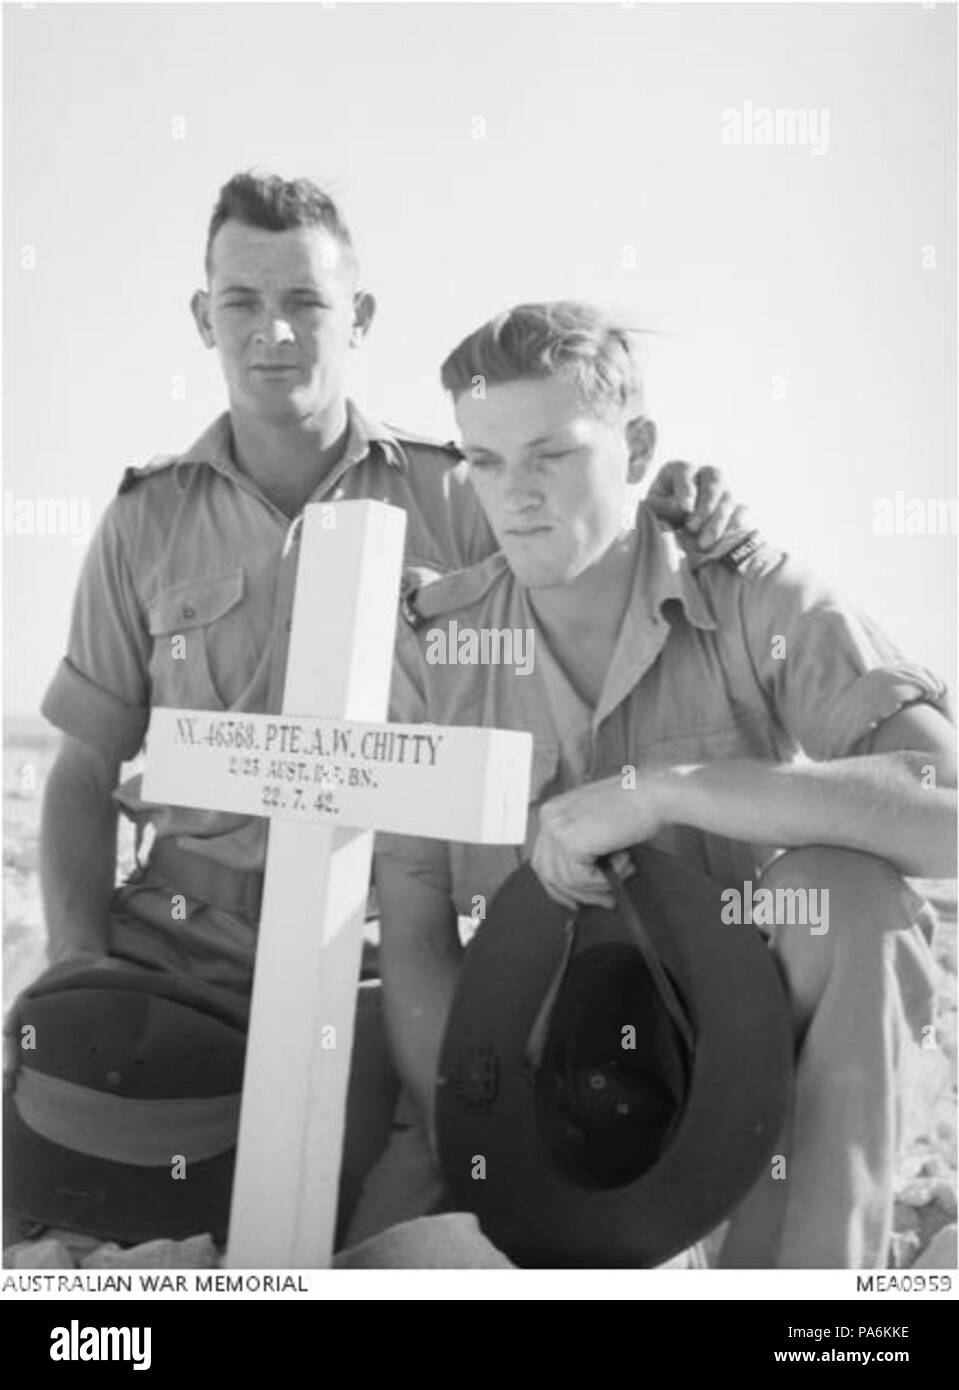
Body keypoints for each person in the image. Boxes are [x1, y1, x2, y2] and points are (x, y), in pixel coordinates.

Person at [33, 173, 740, 1000]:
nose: (274, 330)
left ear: (359, 318)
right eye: (240, 302)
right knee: (59, 1100)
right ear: (202, 318)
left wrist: (663, 507)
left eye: (306, 300)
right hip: (176, 947)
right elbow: (84, 770)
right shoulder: (145, 521)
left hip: (390, 952)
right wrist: (77, 958)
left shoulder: (460, 493)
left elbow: (591, 583)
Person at [363, 300, 956, 1267]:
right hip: (544, 1060)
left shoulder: (754, 596)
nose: (514, 494)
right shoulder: (431, 647)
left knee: (853, 900)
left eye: (551, 454)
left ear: (635, 448)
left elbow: (946, 814)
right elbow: (418, 922)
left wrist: (673, 788)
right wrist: (485, 1134)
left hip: (744, 1043)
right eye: (484, 460)